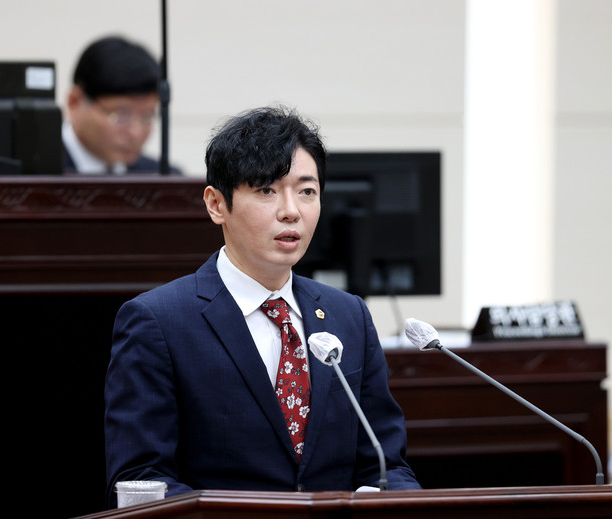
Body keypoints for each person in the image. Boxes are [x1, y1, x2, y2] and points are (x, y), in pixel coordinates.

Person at [103, 105, 420, 506]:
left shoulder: (349, 316)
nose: (291, 211)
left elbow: (388, 466)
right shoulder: (158, 322)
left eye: (307, 191)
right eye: (266, 190)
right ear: (216, 204)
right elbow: (141, 480)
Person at [63, 35, 181, 174]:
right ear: (75, 102)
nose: (135, 133)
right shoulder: (41, 173)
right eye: (121, 116)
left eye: (147, 117)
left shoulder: (162, 178)